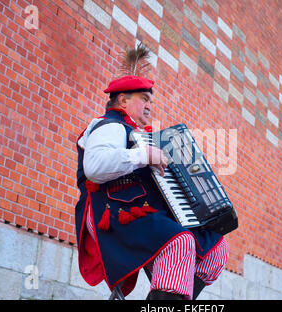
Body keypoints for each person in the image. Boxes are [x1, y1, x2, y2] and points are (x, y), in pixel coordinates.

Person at [74, 74, 228, 300]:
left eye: (150, 101)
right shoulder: (108, 125)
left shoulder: (139, 135)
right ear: (123, 100)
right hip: (109, 213)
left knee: (217, 248)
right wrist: (145, 154)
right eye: (144, 99)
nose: (149, 106)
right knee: (179, 241)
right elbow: (95, 167)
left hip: (141, 212)